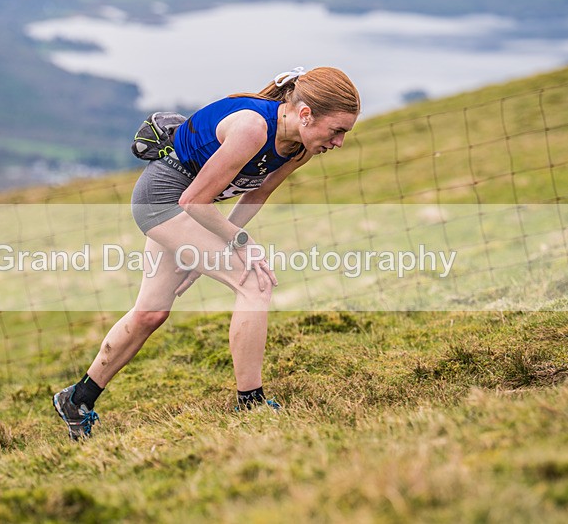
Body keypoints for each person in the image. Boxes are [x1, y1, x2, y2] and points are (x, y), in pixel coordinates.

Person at [54, 66, 361, 440]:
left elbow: (256, 195)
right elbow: (194, 200)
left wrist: (208, 256)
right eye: (337, 130)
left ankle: (77, 399)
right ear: (306, 114)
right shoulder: (252, 128)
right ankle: (252, 404)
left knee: (151, 313)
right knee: (255, 282)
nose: (340, 141)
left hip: (189, 209)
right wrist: (239, 248)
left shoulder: (298, 148)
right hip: (163, 202)